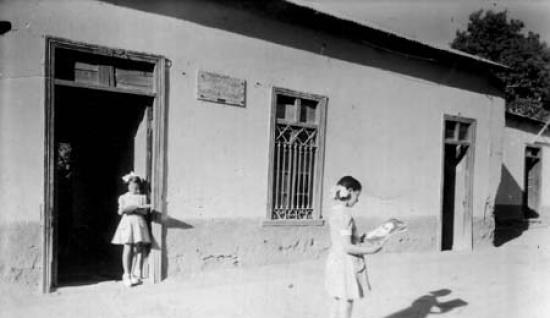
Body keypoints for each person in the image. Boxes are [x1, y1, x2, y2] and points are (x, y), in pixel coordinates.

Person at [325, 176, 386, 318]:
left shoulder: (335, 211)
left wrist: (360, 238)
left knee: (336, 299)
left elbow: (341, 238)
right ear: (350, 191)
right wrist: (372, 250)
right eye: (357, 195)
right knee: (347, 300)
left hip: (335, 260)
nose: (357, 200)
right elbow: (347, 247)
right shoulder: (346, 215)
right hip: (346, 264)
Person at [111, 172, 151, 287]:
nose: (135, 188)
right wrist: (127, 209)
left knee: (137, 248)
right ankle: (126, 274)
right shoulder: (123, 197)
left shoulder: (142, 197)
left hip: (138, 223)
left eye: (137, 186)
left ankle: (134, 273)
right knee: (128, 247)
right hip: (127, 223)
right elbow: (120, 212)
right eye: (133, 186)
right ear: (128, 186)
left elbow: (145, 212)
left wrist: (135, 209)